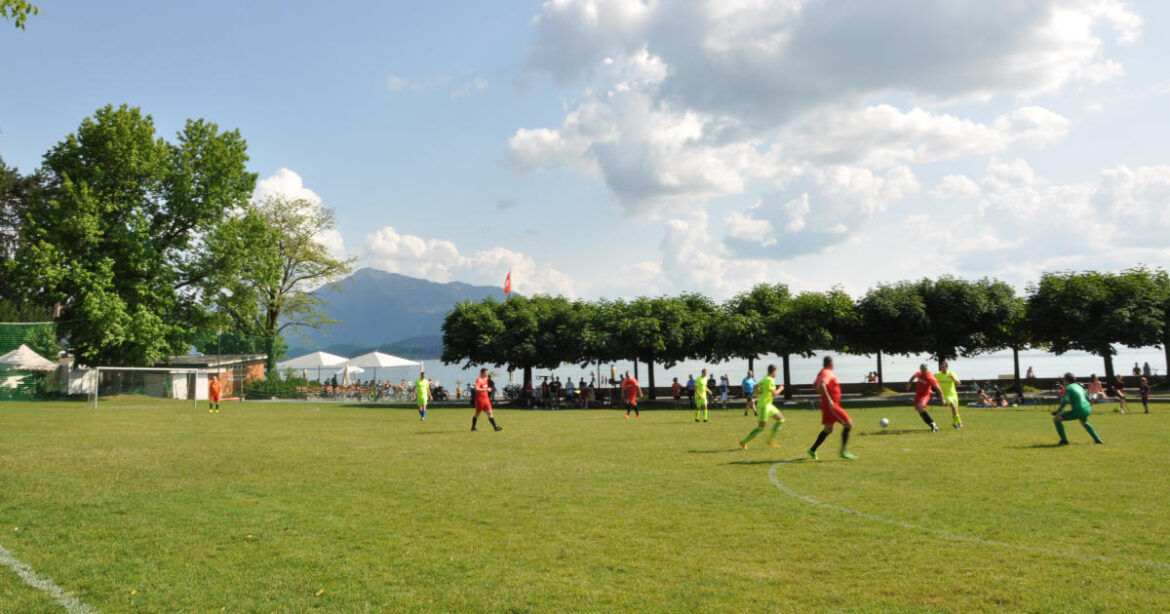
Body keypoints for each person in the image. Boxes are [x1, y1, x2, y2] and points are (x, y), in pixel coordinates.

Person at [808, 356, 855, 460]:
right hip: (832, 406)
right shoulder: (827, 372)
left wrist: (824, 396)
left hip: (827, 405)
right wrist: (829, 399)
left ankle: (812, 449)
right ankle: (843, 452)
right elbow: (822, 384)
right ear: (831, 364)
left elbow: (815, 385)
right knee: (849, 424)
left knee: (828, 429)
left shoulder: (822, 372)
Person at [739, 364, 785, 449]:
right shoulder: (770, 380)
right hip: (764, 406)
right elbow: (774, 394)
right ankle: (744, 441)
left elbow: (755, 386)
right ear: (773, 371)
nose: (776, 373)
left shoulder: (764, 379)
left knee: (781, 419)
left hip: (768, 405)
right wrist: (781, 388)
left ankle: (770, 440)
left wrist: (757, 393)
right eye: (776, 371)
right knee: (760, 428)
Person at [1052, 373, 1103, 445]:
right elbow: (1087, 398)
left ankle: (1064, 441)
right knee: (1084, 422)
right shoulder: (1079, 386)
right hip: (1087, 408)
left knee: (1056, 418)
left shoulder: (1069, 388)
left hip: (1078, 410)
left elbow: (1065, 400)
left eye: (1064, 379)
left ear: (1066, 380)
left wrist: (1058, 411)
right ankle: (1097, 440)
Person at [907, 363, 943, 432]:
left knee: (920, 408)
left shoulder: (931, 377)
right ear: (920, 370)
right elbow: (912, 377)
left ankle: (933, 423)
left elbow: (938, 389)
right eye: (922, 371)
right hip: (918, 395)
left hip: (925, 395)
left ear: (927, 370)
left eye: (925, 371)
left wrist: (942, 399)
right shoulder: (919, 373)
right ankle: (933, 426)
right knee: (920, 412)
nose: (923, 372)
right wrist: (909, 384)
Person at [934, 360, 964, 429]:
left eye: (943, 367)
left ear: (947, 367)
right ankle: (960, 421)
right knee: (953, 406)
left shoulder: (951, 373)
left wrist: (953, 379)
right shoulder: (937, 374)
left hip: (953, 394)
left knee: (955, 410)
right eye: (941, 367)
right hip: (945, 395)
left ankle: (955, 423)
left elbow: (959, 383)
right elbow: (930, 379)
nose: (942, 369)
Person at [471, 368, 502, 432]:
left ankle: (495, 427)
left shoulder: (485, 379)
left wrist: (489, 389)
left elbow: (486, 387)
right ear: (482, 373)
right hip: (480, 400)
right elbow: (476, 389)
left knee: (490, 413)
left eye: (488, 373)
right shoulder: (479, 380)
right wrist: (485, 389)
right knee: (477, 414)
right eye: (486, 373)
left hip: (486, 399)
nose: (487, 374)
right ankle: (473, 428)